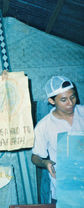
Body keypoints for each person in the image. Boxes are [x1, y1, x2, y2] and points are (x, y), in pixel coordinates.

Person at [31, 75, 84, 204]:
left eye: (72, 97)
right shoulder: (44, 126)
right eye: (64, 100)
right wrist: (45, 163)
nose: (70, 103)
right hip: (65, 191)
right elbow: (35, 157)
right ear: (52, 101)